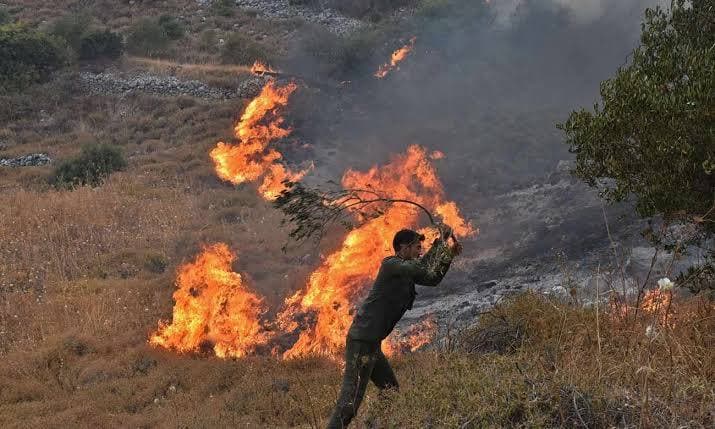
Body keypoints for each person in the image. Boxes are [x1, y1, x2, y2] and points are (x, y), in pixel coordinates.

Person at [327, 224, 462, 428]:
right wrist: (441, 244)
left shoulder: (407, 271)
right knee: (350, 402)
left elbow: (431, 278)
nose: (420, 251)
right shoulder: (391, 264)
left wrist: (448, 254)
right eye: (417, 247)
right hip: (362, 341)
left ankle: (372, 425)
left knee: (390, 390)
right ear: (404, 248)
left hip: (372, 343)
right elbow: (421, 267)